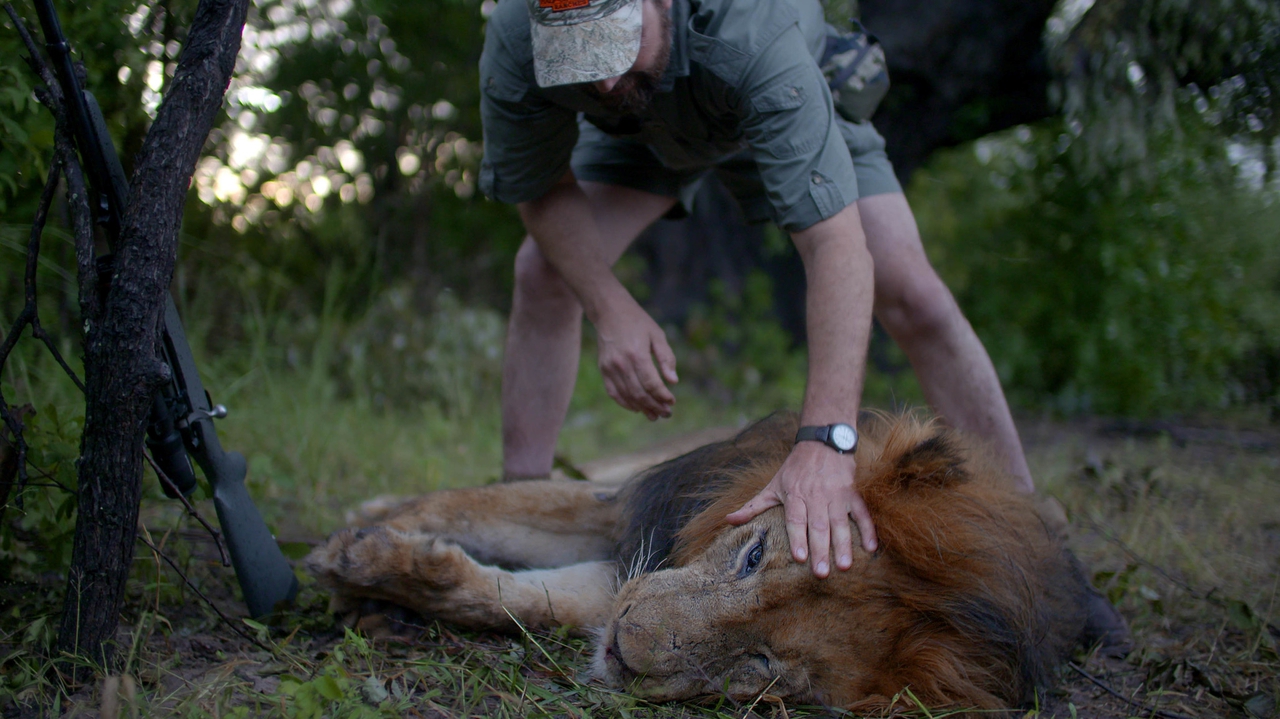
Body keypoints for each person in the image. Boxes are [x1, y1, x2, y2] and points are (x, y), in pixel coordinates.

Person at [479, 0, 1035, 580]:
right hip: (645, 129)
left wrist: (825, 444)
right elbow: (540, 187)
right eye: (580, 56)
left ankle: (1031, 533)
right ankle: (516, 509)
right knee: (542, 274)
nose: (604, 79)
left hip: (784, 90)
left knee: (914, 296)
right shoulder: (521, 39)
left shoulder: (752, 28)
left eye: (616, 45)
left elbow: (835, 247)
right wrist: (609, 307)